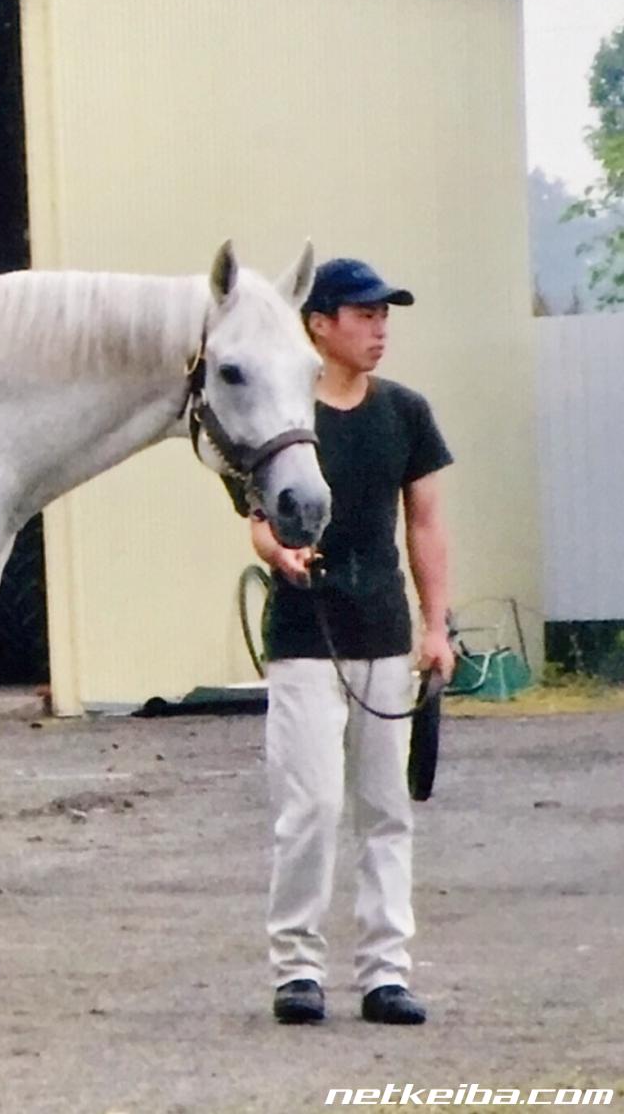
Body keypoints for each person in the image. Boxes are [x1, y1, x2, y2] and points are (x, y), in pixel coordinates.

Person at [251, 257, 454, 1027]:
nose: (379, 329)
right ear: (320, 325)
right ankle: (297, 968)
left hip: (383, 636)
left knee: (386, 809)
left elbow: (426, 523)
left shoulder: (405, 413)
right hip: (306, 638)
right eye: (364, 315)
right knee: (309, 805)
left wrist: (435, 627)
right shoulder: (288, 414)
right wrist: (279, 554)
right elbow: (259, 518)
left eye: (384, 316)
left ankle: (384, 972)